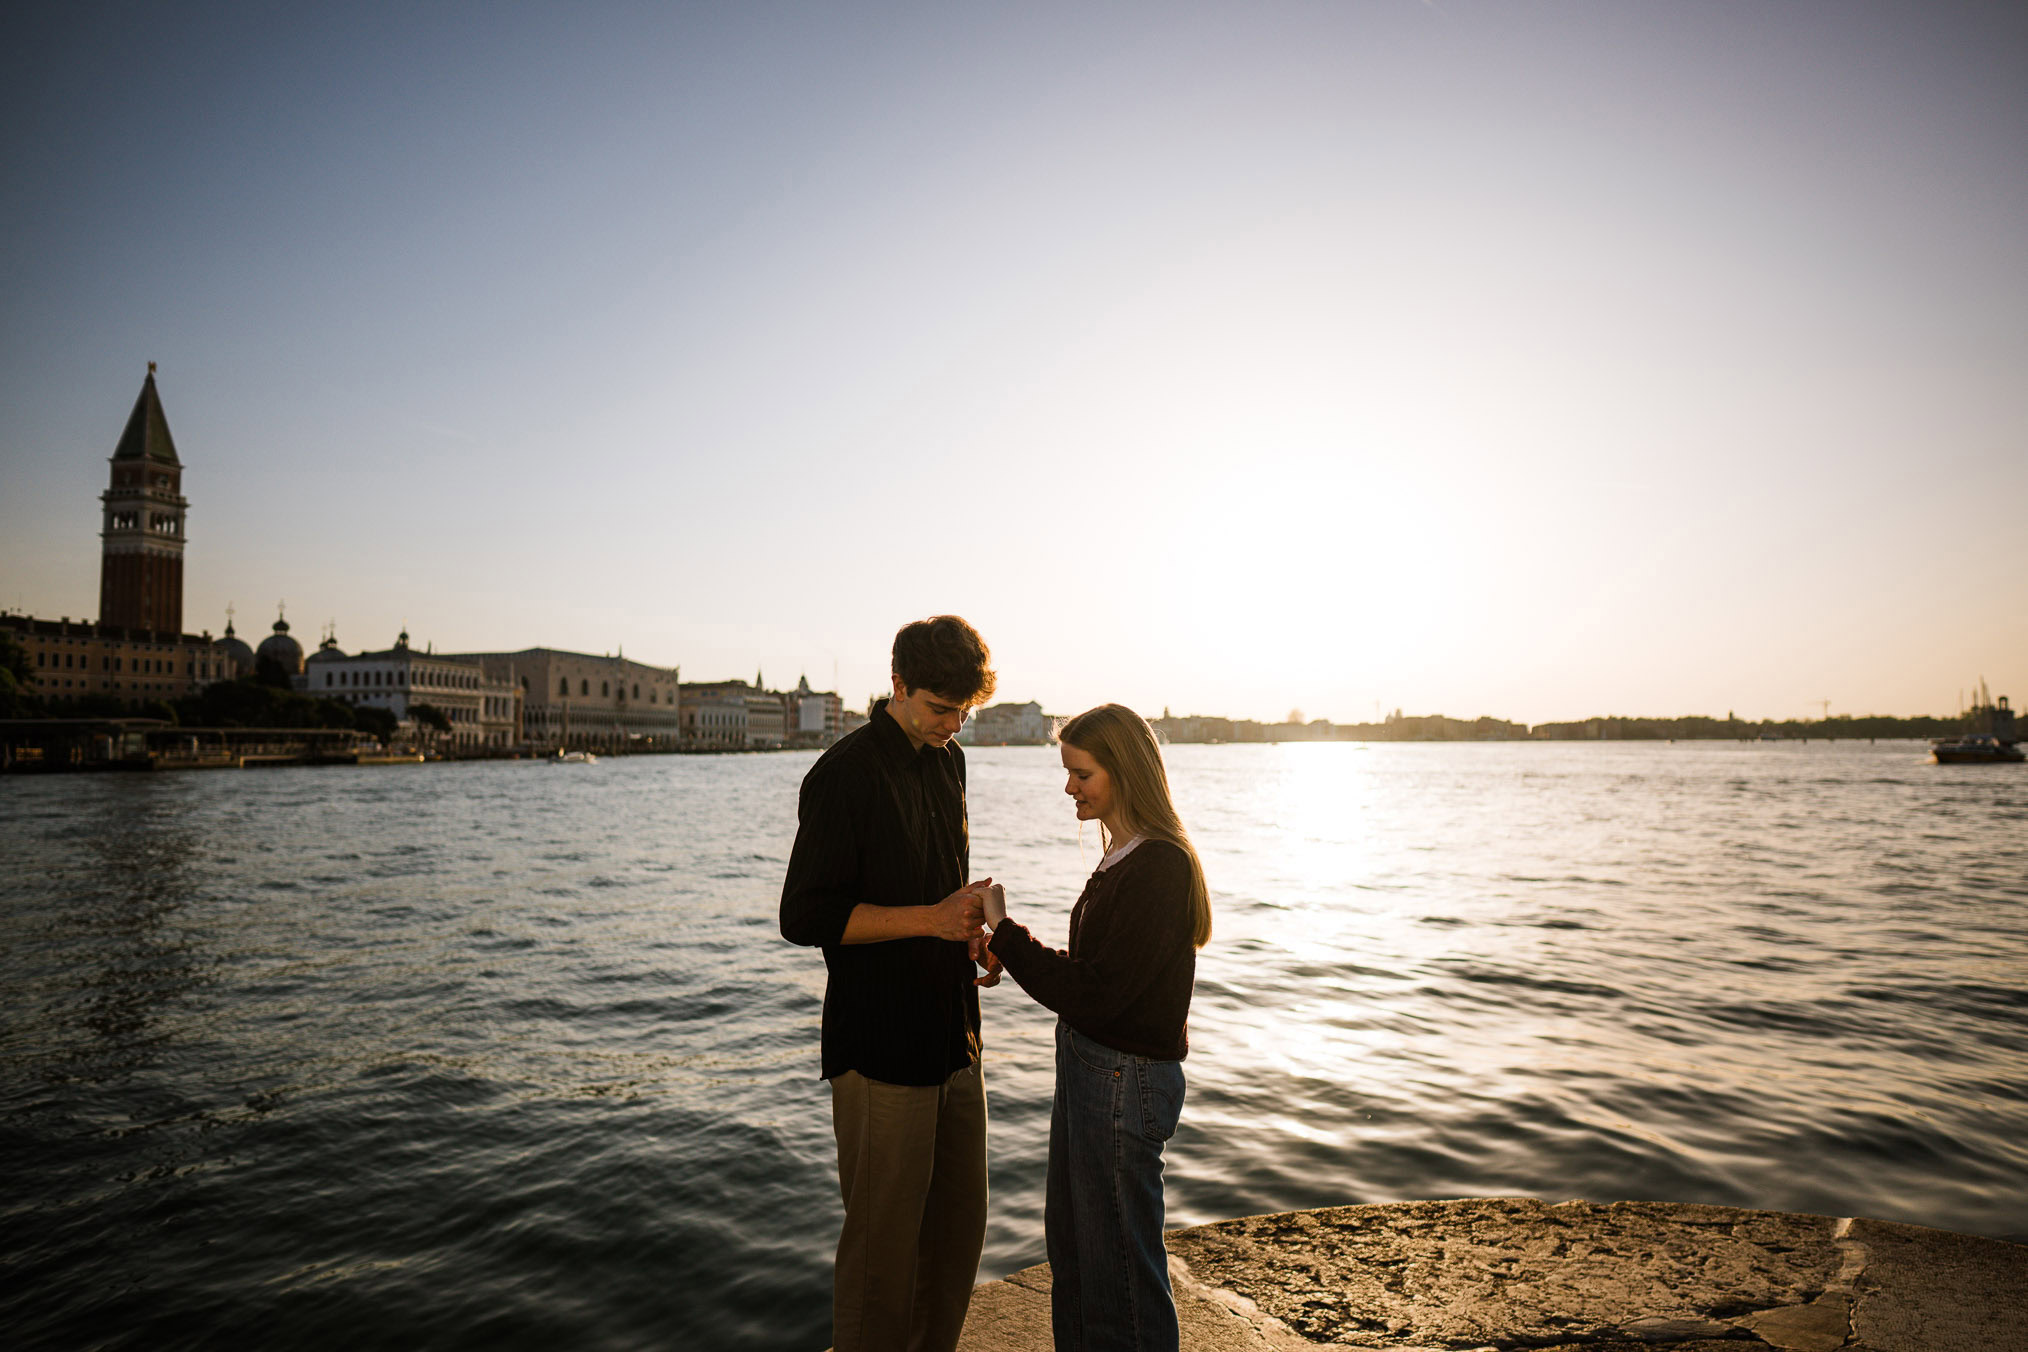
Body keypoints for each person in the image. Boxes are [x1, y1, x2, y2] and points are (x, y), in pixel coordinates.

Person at [779, 615, 1001, 1352]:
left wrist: (971, 933)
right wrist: (931, 921)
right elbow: (804, 916)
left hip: (955, 1034)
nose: (952, 724)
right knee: (883, 1256)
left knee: (958, 1232)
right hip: (879, 1048)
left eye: (964, 711)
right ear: (898, 685)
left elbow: (936, 897)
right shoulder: (842, 774)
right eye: (941, 708)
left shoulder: (950, 762)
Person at [983, 703, 1211, 1352]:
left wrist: (1007, 933)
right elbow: (1099, 978)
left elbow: (1099, 994)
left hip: (1120, 1082)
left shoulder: (1157, 866)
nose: (1069, 788)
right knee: (1081, 1257)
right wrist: (1010, 948)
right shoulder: (1129, 856)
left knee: (1118, 1274)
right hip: (1098, 1075)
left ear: (1125, 771)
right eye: (1068, 773)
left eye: (1082, 774)